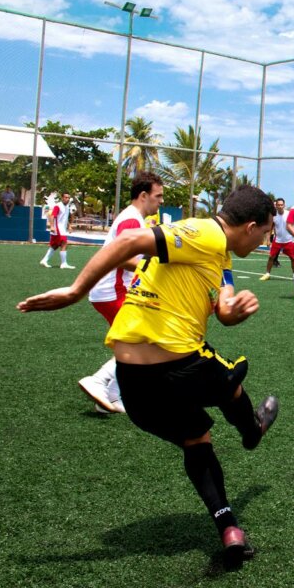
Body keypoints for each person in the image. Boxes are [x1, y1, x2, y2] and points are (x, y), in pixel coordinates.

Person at [18, 185, 280, 566]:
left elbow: (221, 305)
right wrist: (76, 291)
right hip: (178, 365)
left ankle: (228, 527)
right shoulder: (206, 232)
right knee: (230, 382)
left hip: (134, 381)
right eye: (266, 233)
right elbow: (128, 239)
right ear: (251, 226)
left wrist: (232, 312)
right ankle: (253, 432)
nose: (264, 242)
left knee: (197, 438)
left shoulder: (217, 255)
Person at [79, 173, 164, 414]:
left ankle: (113, 398)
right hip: (113, 290)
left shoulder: (135, 219)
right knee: (142, 340)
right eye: (158, 196)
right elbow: (125, 258)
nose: (160, 202)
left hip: (113, 289)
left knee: (140, 340)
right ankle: (100, 382)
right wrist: (152, 270)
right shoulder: (131, 220)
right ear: (144, 195)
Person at [259, 198, 294, 282]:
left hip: (289, 240)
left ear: (284, 205)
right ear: (276, 206)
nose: (280, 206)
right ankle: (267, 274)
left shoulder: (289, 214)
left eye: (281, 205)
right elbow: (270, 228)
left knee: (293, 258)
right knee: (271, 257)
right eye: (278, 205)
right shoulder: (273, 216)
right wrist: (268, 240)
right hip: (277, 240)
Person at [40, 192, 75, 269]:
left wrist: (69, 226)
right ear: (62, 198)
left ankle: (44, 260)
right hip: (57, 228)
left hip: (62, 229)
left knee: (55, 245)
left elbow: (65, 218)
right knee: (64, 243)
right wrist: (52, 226)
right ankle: (64, 263)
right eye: (66, 197)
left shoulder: (67, 207)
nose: (67, 199)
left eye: (69, 198)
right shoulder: (58, 206)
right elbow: (52, 216)